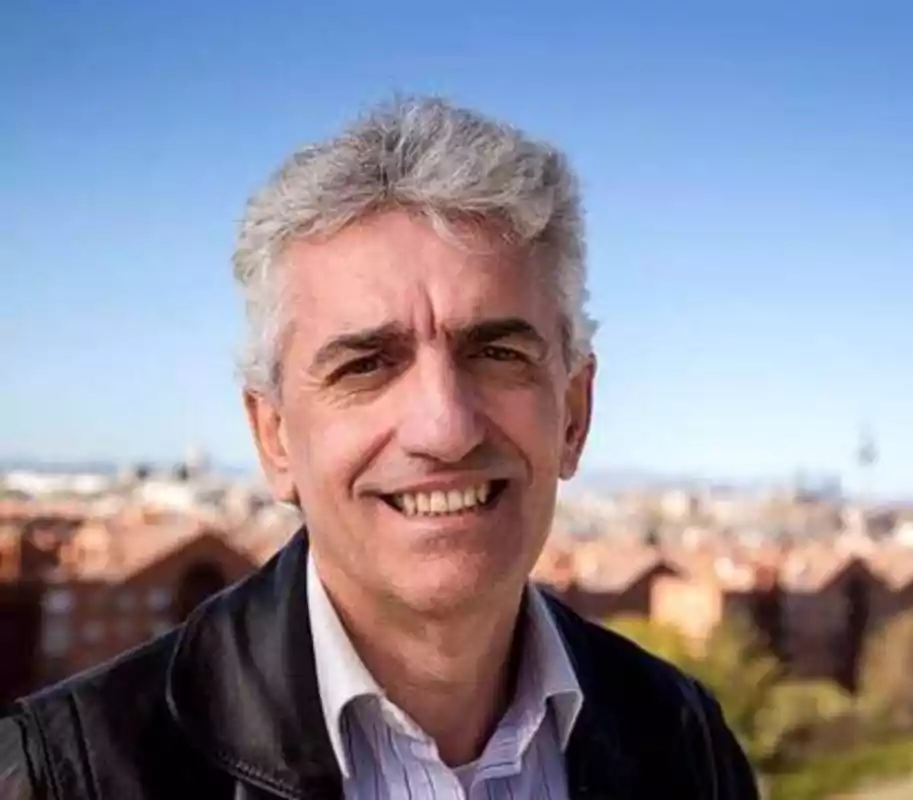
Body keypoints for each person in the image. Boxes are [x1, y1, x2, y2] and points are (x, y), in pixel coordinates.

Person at [0, 96, 758, 799]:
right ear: (274, 438)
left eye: (497, 354)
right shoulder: (70, 775)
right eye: (365, 365)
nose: (444, 427)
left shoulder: (684, 742)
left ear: (574, 413)